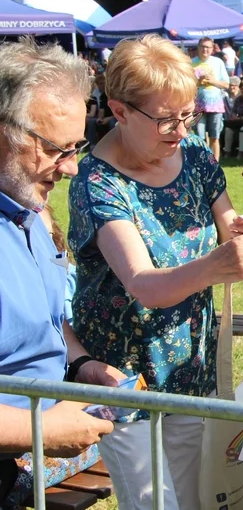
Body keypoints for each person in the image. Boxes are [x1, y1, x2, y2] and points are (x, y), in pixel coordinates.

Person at [68, 34, 243, 510]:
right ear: (119, 111)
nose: (180, 130)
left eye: (187, 114)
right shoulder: (97, 182)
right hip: (123, 381)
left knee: (197, 499)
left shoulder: (196, 154)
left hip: (189, 369)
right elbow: (143, 285)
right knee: (154, 504)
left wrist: (242, 231)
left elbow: (225, 224)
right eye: (165, 119)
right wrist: (217, 265)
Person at [0, 39, 117, 503]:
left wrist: (81, 362)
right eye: (55, 148)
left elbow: (45, 315)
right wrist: (41, 428)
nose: (71, 167)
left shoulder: (26, 205)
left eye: (78, 147)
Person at [192, 37, 230, 161]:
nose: (205, 50)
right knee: (199, 137)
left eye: (208, 47)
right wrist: (198, 82)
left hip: (215, 105)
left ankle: (215, 164)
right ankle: (202, 162)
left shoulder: (218, 62)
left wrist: (213, 81)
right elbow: (186, 85)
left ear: (212, 49)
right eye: (202, 46)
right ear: (198, 48)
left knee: (215, 136)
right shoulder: (191, 63)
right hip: (198, 105)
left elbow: (226, 84)